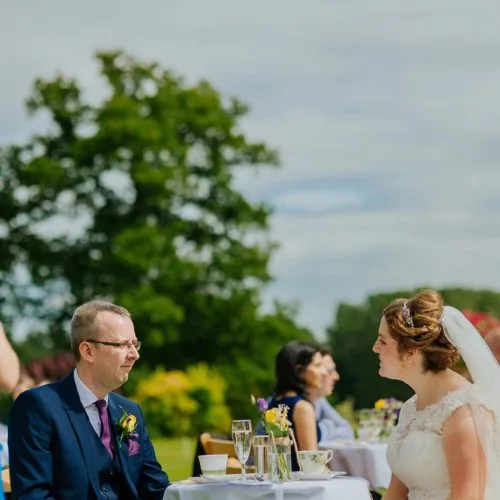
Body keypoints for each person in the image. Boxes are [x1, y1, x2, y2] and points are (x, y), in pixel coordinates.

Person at [8, 300, 170, 499]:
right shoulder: (37, 406)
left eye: (134, 344)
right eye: (123, 345)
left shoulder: (130, 411)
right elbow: (33, 495)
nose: (134, 354)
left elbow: (156, 487)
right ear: (88, 351)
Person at [374, 289, 500, 500]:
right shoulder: (411, 408)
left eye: (383, 341)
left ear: (411, 352)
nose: (375, 348)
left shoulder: (463, 412)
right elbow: (396, 493)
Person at [267, 340, 325, 471]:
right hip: (300, 486)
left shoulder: (275, 403)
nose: (323, 372)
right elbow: (312, 465)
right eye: (317, 365)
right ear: (299, 371)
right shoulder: (302, 408)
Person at [313, 346, 354, 442]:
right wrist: (329, 425)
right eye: (330, 371)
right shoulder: (290, 405)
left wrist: (324, 427)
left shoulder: (319, 400)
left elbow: (347, 428)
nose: (336, 376)